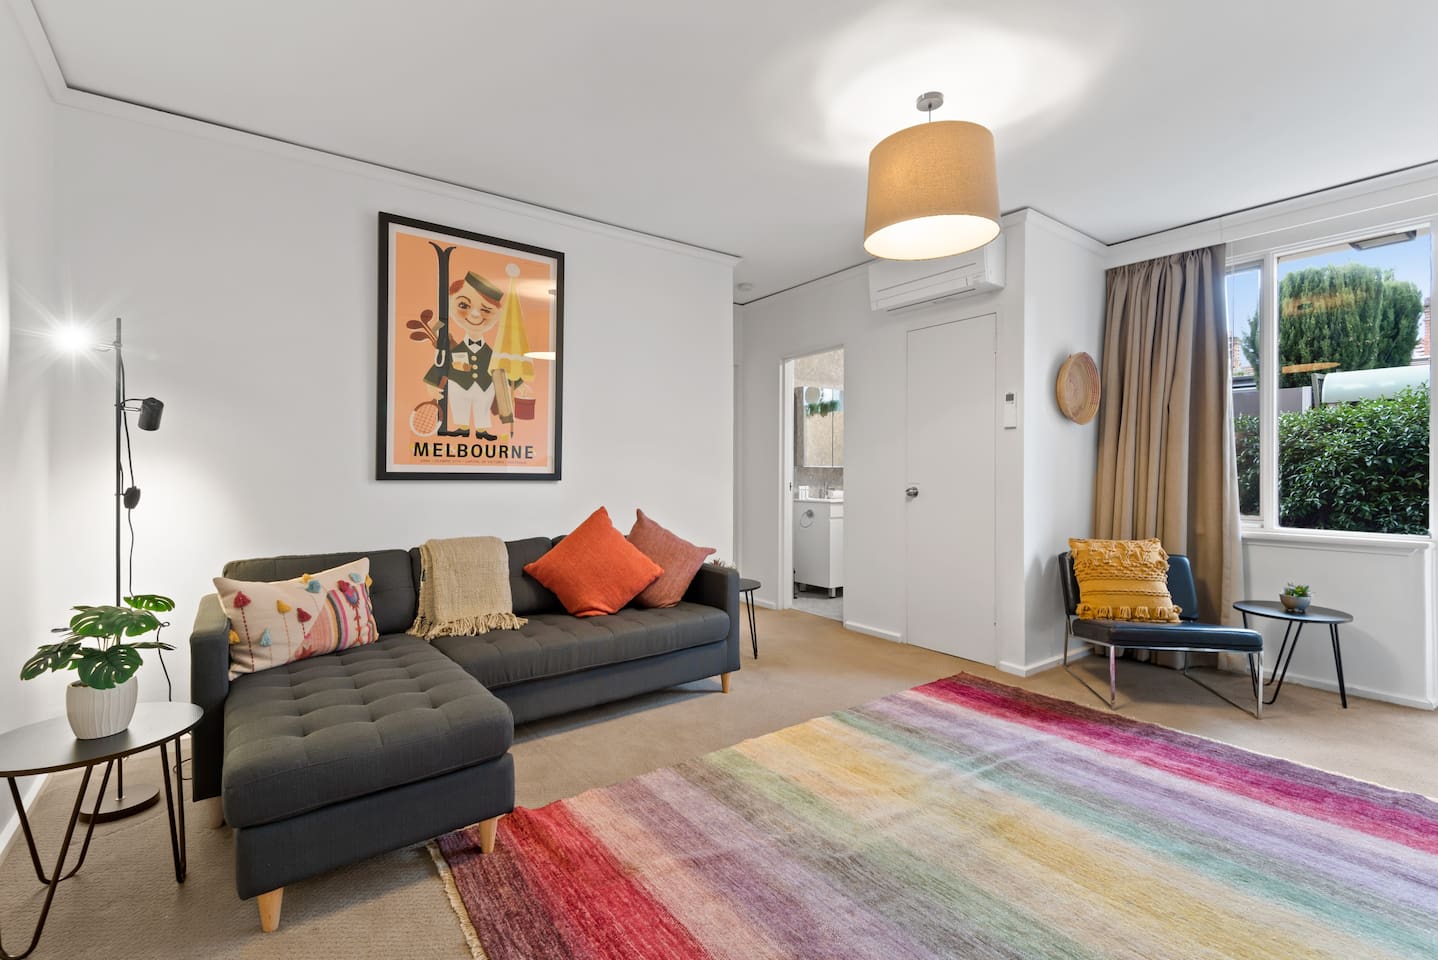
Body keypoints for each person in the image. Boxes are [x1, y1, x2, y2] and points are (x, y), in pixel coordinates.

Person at [423, 271, 504, 439]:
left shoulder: (492, 353)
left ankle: (482, 430)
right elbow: (441, 364)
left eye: (486, 310)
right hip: (459, 386)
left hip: (484, 387)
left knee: (483, 407)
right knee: (460, 405)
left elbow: (502, 368)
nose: (475, 315)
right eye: (464, 306)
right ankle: (462, 427)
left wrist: (518, 384)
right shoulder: (454, 349)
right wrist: (432, 383)